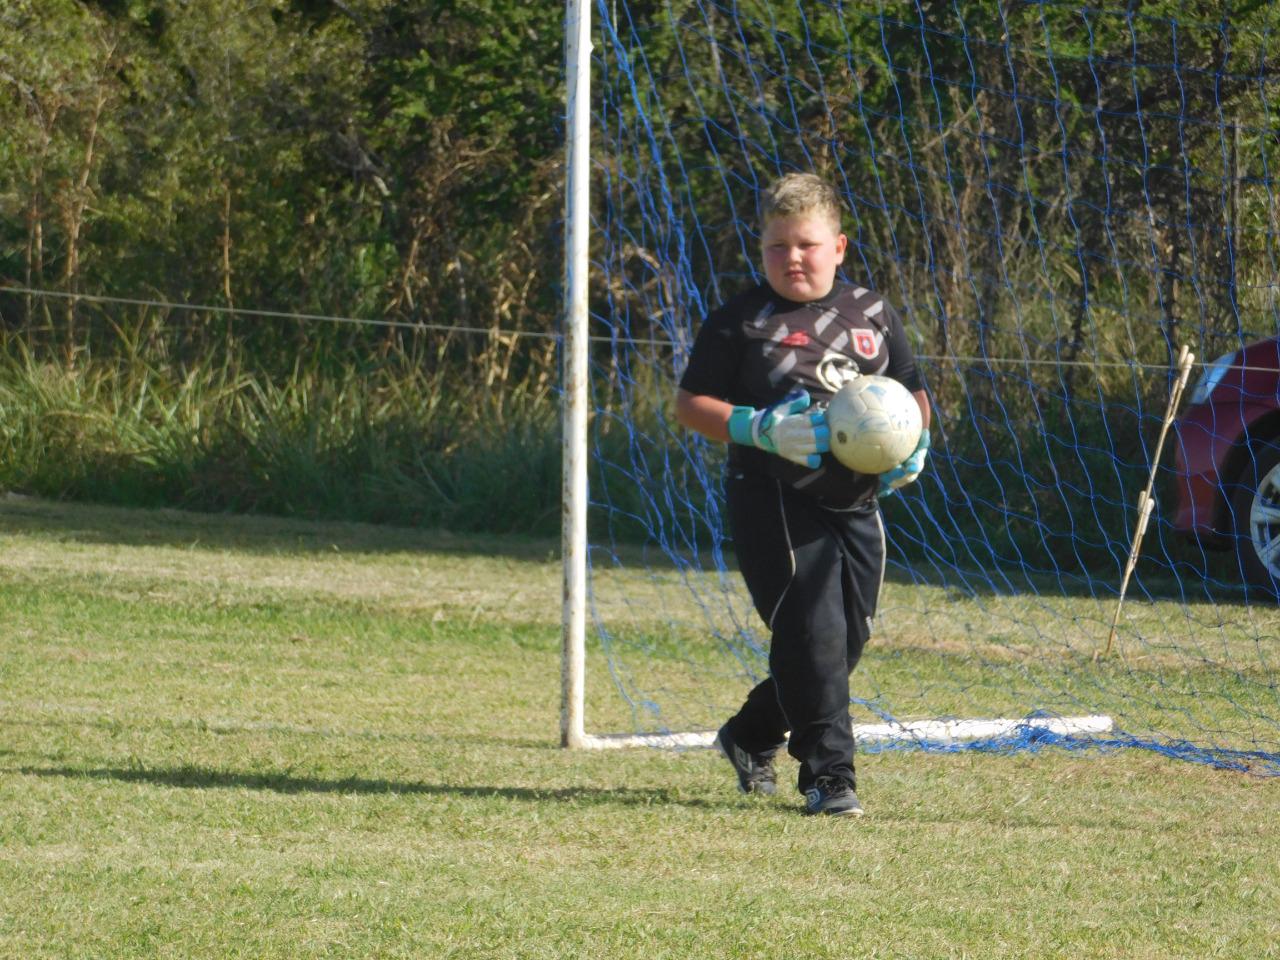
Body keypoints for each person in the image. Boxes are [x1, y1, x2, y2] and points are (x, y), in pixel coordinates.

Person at [675, 172, 930, 816]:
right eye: (777, 246)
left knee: (846, 642)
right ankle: (828, 778)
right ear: (760, 251)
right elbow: (689, 404)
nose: (792, 257)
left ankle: (752, 732)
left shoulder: (872, 313)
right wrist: (756, 427)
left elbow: (912, 389)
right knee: (813, 632)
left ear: (838, 247)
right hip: (772, 496)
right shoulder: (740, 322)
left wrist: (913, 442)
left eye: (807, 244)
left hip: (856, 500)